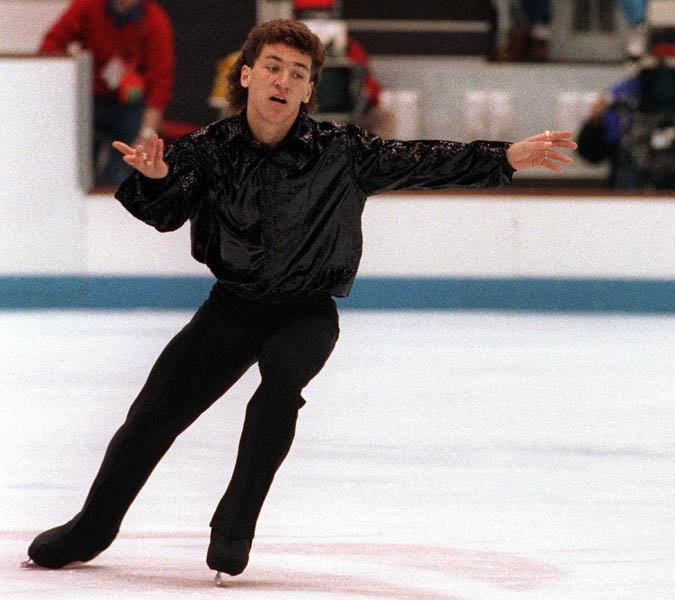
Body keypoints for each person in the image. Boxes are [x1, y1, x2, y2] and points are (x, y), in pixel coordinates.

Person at [25, 19, 576, 581]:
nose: (283, 81)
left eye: (298, 73)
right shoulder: (208, 150)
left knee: (280, 385)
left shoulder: (341, 151)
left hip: (307, 311)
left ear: (311, 88)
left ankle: (233, 528)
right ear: (247, 75)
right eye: (272, 67)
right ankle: (90, 529)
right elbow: (167, 212)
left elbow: (424, 159)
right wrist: (161, 176)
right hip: (232, 306)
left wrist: (504, 157)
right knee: (149, 418)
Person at [39, 0, 174, 187]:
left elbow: (160, 81)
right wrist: (66, 81)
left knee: (123, 171)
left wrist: (146, 132)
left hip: (130, 103)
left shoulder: (154, 19)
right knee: (78, 168)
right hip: (88, 98)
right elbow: (51, 44)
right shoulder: (87, 6)